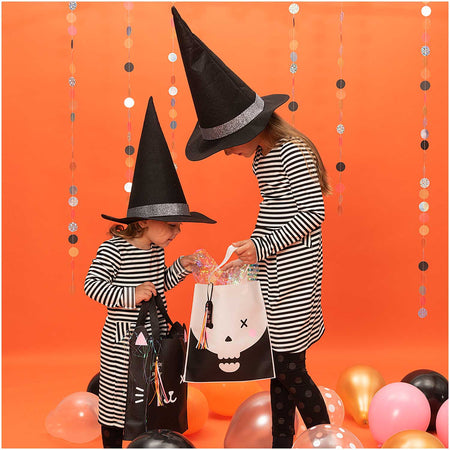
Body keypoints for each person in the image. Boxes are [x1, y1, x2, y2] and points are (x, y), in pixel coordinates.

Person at [171, 7, 330, 447]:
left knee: (291, 368)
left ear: (249, 129)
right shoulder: (263, 157)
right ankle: (282, 440)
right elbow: (277, 212)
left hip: (294, 276)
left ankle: (325, 437)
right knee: (277, 366)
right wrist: (255, 246)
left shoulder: (291, 151)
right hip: (274, 272)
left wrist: (262, 247)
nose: (226, 154)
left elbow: (310, 215)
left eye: (226, 145)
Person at [85, 96, 215, 448]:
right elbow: (92, 286)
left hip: (155, 335)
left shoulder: (156, 251)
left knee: (150, 399)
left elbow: (159, 287)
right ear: (143, 221)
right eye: (171, 225)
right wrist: (131, 294)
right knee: (119, 400)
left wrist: (180, 268)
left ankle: (147, 440)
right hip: (123, 343)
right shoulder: (114, 249)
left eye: (178, 226)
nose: (177, 232)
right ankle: (113, 442)